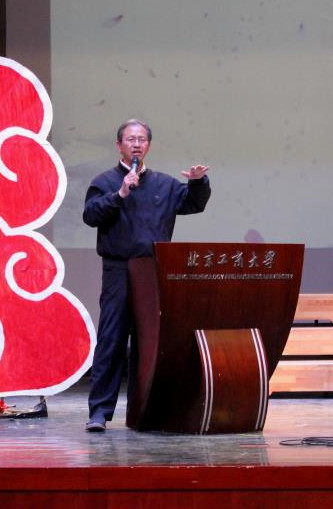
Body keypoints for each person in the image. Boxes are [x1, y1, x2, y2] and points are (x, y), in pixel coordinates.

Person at [82, 118, 211, 432]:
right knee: (112, 340)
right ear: (119, 145)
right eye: (130, 139)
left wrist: (198, 182)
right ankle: (99, 412)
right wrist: (120, 193)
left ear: (148, 145)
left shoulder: (164, 184)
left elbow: (193, 204)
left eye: (141, 139)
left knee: (149, 342)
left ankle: (145, 411)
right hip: (118, 270)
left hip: (153, 272)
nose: (136, 144)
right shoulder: (104, 181)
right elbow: (90, 215)